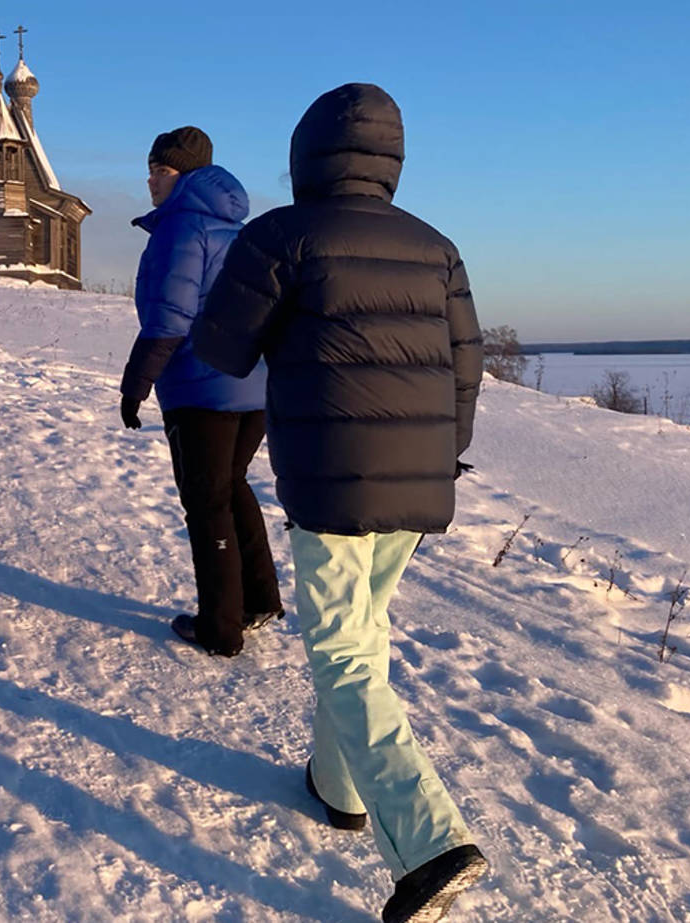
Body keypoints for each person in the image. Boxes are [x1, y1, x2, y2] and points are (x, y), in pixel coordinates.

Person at [191, 84, 488, 922]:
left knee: (344, 653)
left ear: (305, 153)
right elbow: (466, 370)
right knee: (361, 632)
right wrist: (441, 457)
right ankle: (339, 785)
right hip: (422, 479)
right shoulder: (437, 247)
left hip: (329, 478)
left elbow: (219, 346)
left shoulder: (282, 235)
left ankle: (430, 843)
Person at [118, 126, 278, 658]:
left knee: (207, 504)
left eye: (160, 172)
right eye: (150, 170)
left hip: (200, 391)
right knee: (232, 488)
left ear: (184, 176)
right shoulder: (237, 229)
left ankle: (220, 626)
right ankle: (259, 600)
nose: (150, 182)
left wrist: (136, 384)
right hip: (249, 387)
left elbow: (169, 318)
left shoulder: (183, 230)